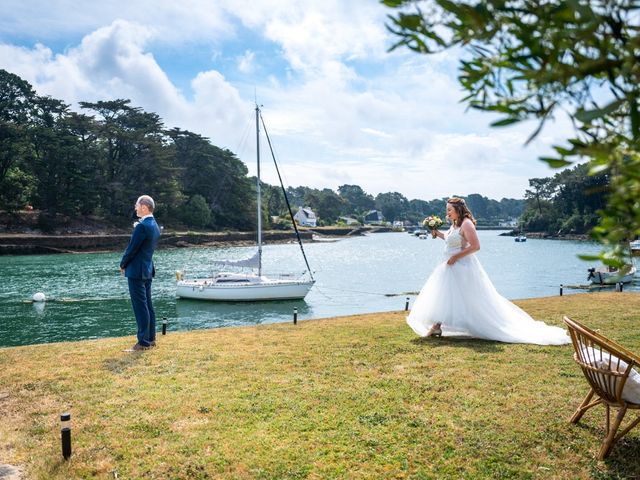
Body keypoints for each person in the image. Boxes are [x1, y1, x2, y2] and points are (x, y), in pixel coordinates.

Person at [407, 197, 570, 345]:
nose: (447, 213)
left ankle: (480, 324)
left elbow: (475, 246)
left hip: (462, 266)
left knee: (470, 298)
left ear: (458, 210)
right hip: (449, 265)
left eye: (449, 210)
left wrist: (456, 258)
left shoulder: (467, 224)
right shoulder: (455, 224)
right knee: (445, 294)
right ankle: (437, 325)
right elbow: (453, 241)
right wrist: (438, 234)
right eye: (447, 210)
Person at [120, 195, 161, 351]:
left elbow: (132, 248)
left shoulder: (142, 226)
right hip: (147, 270)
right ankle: (150, 339)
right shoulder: (154, 225)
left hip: (136, 271)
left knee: (140, 307)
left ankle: (142, 342)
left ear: (144, 207)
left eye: (137, 205)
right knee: (148, 305)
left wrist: (123, 264)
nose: (135, 208)